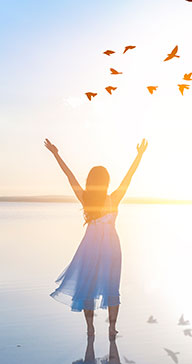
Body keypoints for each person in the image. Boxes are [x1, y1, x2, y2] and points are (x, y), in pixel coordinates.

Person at [45, 138, 147, 337]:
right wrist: (139, 155)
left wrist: (56, 154)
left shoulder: (86, 198)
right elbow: (129, 177)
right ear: (106, 182)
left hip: (91, 247)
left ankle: (90, 328)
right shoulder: (113, 198)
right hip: (111, 248)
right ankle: (112, 328)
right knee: (112, 287)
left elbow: (69, 176)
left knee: (88, 287)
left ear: (91, 182)